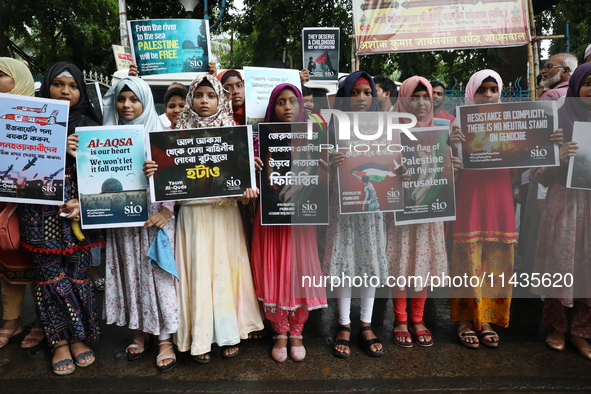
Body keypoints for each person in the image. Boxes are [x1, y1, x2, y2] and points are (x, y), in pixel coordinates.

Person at [145, 73, 263, 363]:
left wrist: (247, 191)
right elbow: (170, 182)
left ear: (220, 99)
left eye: (211, 96)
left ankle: (227, 333)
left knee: (224, 273)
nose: (205, 101)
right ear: (191, 99)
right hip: (193, 216)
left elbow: (241, 183)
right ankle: (200, 336)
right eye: (199, 95)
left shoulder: (233, 133)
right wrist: (153, 172)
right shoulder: (176, 134)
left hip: (224, 215)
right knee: (197, 274)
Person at [19, 62, 102, 375]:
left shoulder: (92, 125)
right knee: (51, 280)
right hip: (39, 216)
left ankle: (79, 338)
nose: (66, 92)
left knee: (79, 277)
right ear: (47, 88)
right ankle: (59, 343)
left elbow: (105, 172)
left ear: (81, 91)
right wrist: (54, 147)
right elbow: (16, 169)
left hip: (80, 214)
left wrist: (84, 202)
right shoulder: (27, 124)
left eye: (73, 85)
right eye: (58, 84)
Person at [101, 76, 179, 373]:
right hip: (122, 220)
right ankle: (139, 329)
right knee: (130, 272)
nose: (126, 105)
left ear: (146, 101)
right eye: (122, 99)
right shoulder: (104, 136)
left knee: (158, 274)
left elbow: (177, 180)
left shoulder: (160, 135)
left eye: (134, 99)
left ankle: (164, 338)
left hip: (155, 218)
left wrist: (168, 211)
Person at [251, 83, 327, 362]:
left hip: (302, 219)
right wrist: (254, 164)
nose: (287, 107)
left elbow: (321, 180)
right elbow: (248, 179)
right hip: (271, 217)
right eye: (281, 102)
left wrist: (324, 172)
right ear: (272, 107)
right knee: (275, 269)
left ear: (300, 106)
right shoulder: (260, 140)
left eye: (292, 101)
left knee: (299, 269)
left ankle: (297, 330)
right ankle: (279, 330)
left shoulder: (314, 137)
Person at [448, 70, 516, 349]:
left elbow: (526, 162)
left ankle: (486, 319)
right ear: (471, 92)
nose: (488, 95)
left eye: (493, 89)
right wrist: (453, 144)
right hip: (469, 197)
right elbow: (446, 170)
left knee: (495, 260)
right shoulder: (456, 124)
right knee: (467, 259)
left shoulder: (513, 123)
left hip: (500, 197)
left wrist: (549, 145)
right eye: (481, 90)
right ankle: (465, 320)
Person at [323, 71, 386, 358]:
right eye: (355, 93)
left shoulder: (386, 125)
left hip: (372, 208)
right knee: (346, 264)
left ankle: (366, 323)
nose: (361, 98)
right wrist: (330, 164)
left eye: (367, 93)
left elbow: (392, 163)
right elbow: (321, 167)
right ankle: (345, 324)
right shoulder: (334, 126)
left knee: (369, 262)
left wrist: (400, 170)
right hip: (344, 205)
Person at [532, 61, 591, 360]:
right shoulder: (556, 121)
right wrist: (561, 159)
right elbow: (538, 173)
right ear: (576, 86)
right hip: (564, 204)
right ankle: (557, 326)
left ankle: (581, 331)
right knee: (560, 264)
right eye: (589, 82)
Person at [387, 76, 451, 348]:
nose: (422, 103)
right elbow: (381, 171)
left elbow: (447, 175)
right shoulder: (390, 130)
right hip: (400, 211)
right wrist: (394, 173)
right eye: (415, 96)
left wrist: (452, 163)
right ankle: (400, 320)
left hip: (428, 212)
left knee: (421, 264)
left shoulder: (442, 131)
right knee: (402, 263)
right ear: (403, 98)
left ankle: (418, 319)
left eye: (426, 97)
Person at [0, 58, 45, 350]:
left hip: (35, 203)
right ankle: (11, 320)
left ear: (18, 79)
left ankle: (42, 321)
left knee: (38, 263)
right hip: (3, 204)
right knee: (6, 259)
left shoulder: (43, 114)